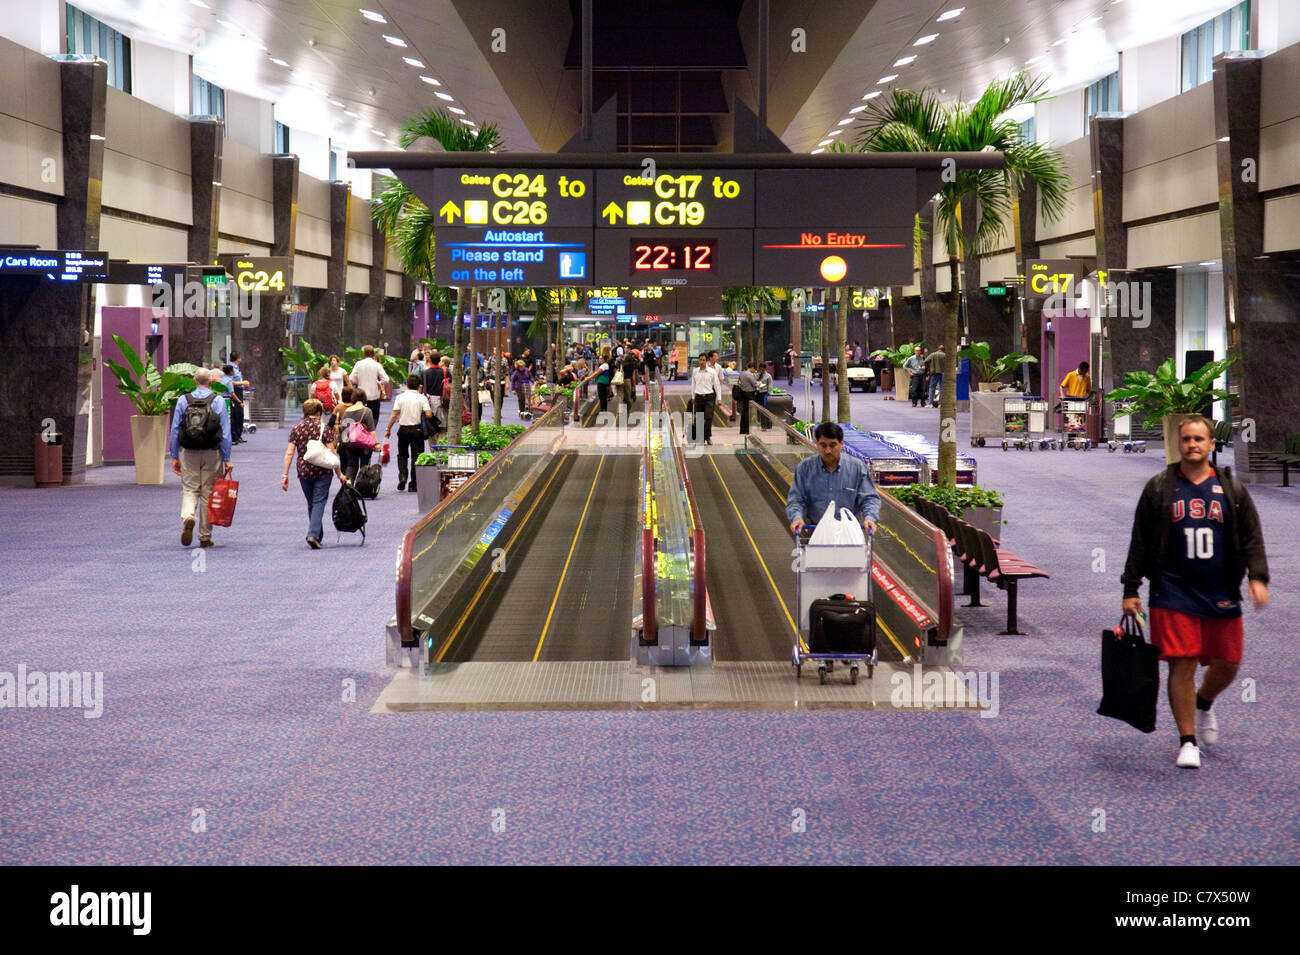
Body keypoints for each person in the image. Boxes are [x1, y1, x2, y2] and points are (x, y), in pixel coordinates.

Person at [1121, 415, 1269, 769]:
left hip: (1221, 589)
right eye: (1186, 439)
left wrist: (1257, 577)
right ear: (1179, 444)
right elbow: (1140, 541)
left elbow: (1252, 536)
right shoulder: (1160, 488)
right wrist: (1131, 588)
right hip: (1172, 590)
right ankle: (1187, 740)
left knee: (1228, 664)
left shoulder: (1231, 490)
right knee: (1181, 662)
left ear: (1211, 444)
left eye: (1199, 439)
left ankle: (1204, 701)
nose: (1192, 445)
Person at [169, 367, 233, 548]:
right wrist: (227, 458)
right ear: (211, 382)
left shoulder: (183, 400)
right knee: (208, 493)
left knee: (190, 489)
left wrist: (174, 455)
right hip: (212, 452)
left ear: (195, 381)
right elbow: (226, 433)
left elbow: (175, 430)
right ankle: (204, 536)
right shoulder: (218, 400)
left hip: (189, 452)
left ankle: (189, 515)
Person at [786, 421, 880, 538]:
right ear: (816, 444)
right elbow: (796, 499)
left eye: (832, 445)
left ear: (842, 444)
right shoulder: (805, 468)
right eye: (823, 445)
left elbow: (869, 498)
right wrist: (796, 517)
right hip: (816, 533)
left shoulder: (857, 468)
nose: (828, 451)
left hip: (848, 535)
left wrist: (870, 518)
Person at [282, 398, 349, 548]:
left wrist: (285, 475)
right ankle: (313, 534)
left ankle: (317, 534)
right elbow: (332, 452)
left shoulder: (296, 428)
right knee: (319, 501)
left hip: (304, 470)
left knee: (312, 502)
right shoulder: (324, 428)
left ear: (305, 412)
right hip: (323, 470)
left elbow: (289, 453)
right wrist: (339, 474)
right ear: (319, 412)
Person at [385, 374, 433, 493]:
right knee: (416, 456)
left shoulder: (400, 397)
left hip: (403, 429)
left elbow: (394, 414)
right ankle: (414, 484)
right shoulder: (422, 398)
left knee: (402, 454)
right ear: (419, 386)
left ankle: (402, 476)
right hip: (417, 430)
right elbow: (429, 415)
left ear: (407, 385)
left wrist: (388, 429)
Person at [330, 386, 377, 483]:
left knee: (351, 465)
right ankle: (362, 486)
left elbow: (343, 429)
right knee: (365, 465)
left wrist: (340, 443)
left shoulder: (347, 411)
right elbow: (372, 430)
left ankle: (349, 485)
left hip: (350, 443)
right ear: (364, 398)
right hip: (365, 445)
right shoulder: (367, 411)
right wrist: (376, 444)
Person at [349, 345, 389, 423]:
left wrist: (357, 382)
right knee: (373, 421)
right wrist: (379, 383)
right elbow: (386, 379)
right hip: (374, 397)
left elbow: (351, 378)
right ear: (373, 353)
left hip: (361, 397)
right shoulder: (377, 365)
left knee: (360, 421)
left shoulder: (358, 364)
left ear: (364, 353)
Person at [689, 353, 722, 445]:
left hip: (709, 397)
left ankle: (707, 436)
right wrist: (693, 396)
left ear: (706, 361)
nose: (702, 362)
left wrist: (719, 398)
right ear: (698, 361)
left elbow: (717, 385)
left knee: (708, 418)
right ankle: (700, 438)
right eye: (700, 360)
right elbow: (693, 384)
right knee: (698, 418)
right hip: (699, 397)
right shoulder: (695, 371)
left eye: (703, 360)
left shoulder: (712, 372)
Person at [229, 352, 249, 443]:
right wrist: (243, 383)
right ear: (238, 358)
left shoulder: (236, 368)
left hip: (239, 390)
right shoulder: (230, 368)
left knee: (240, 413)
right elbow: (229, 381)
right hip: (234, 391)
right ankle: (235, 436)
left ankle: (238, 435)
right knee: (236, 413)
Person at [737, 362, 761, 435]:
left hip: (743, 393)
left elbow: (739, 383)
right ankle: (747, 429)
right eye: (754, 369)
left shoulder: (742, 373)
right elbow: (755, 384)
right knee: (748, 412)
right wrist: (759, 383)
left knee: (744, 411)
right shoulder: (749, 374)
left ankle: (742, 429)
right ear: (752, 368)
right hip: (749, 394)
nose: (755, 370)